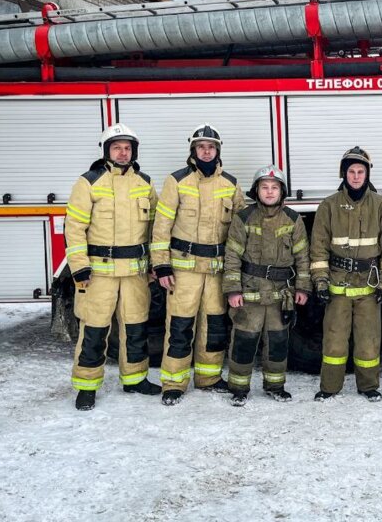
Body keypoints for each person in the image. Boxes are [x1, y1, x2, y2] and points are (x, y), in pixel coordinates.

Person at [66, 124, 161, 410]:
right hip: (99, 274)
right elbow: (74, 227)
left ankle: (134, 379)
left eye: (127, 147)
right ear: (107, 150)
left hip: (135, 273)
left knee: (136, 330)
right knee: (94, 330)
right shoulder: (89, 182)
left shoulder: (144, 182)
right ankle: (86, 387)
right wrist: (79, 266)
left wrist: (157, 263)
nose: (123, 152)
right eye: (117, 147)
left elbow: (157, 229)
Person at [150, 125, 245, 406]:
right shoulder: (176, 181)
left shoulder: (230, 183)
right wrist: (162, 266)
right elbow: (161, 226)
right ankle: (174, 383)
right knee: (179, 326)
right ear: (193, 151)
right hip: (184, 269)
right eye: (201, 146)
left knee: (215, 326)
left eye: (211, 147)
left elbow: (240, 232)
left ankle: (209, 378)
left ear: (218, 151)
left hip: (217, 270)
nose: (206, 151)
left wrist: (237, 270)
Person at [311, 147, 382, 402]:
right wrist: (321, 281)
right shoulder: (329, 205)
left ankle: (368, 386)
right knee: (334, 342)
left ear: (367, 174)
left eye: (361, 171)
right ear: (344, 173)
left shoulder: (381, 205)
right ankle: (329, 387)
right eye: (352, 171)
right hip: (337, 285)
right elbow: (318, 247)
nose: (357, 176)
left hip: (369, 286)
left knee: (369, 341)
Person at [222, 165, 310, 405]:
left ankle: (275, 385)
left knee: (278, 343)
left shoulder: (293, 219)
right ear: (256, 190)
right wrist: (232, 290)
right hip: (249, 292)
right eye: (264, 187)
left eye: (274, 188)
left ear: (281, 192)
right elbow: (231, 256)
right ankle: (239, 388)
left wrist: (302, 288)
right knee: (243, 341)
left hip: (281, 295)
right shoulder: (243, 218)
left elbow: (303, 257)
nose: (269, 192)